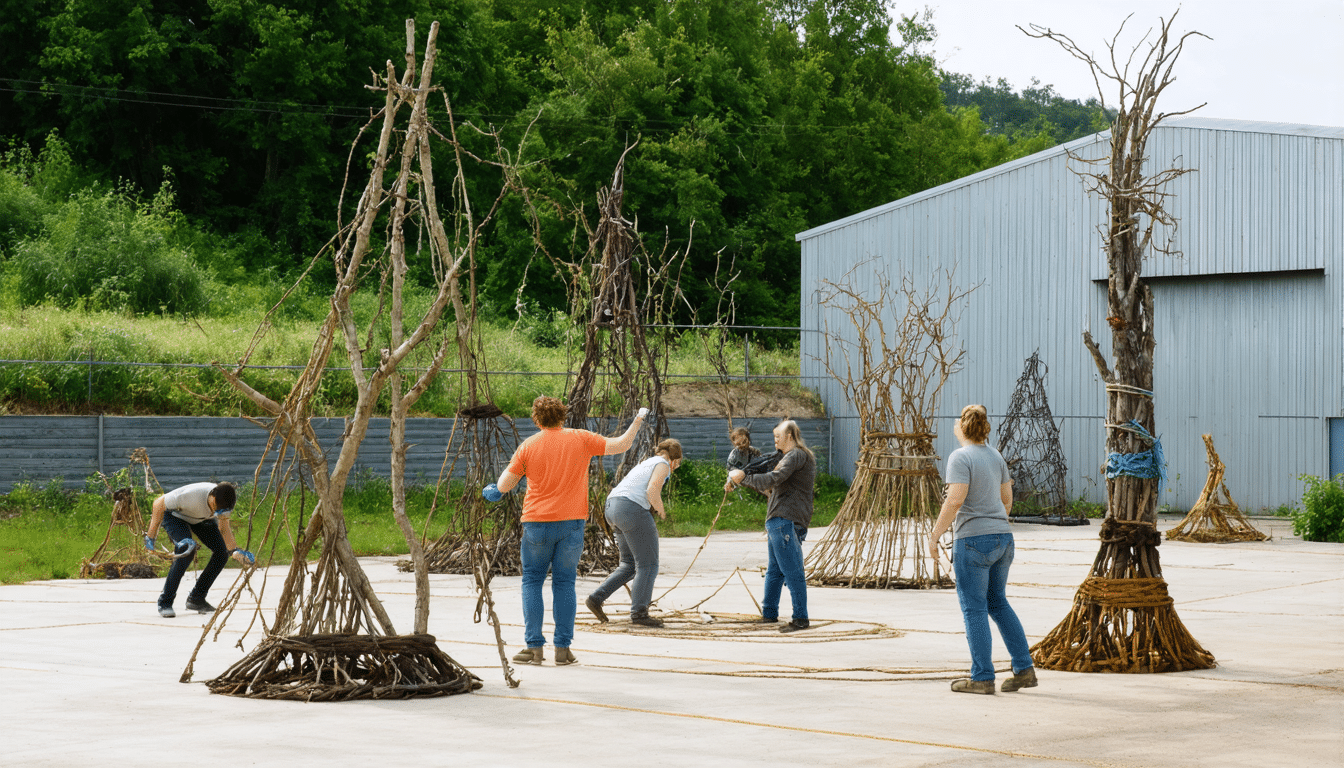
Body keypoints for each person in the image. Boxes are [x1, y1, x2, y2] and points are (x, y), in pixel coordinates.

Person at [486, 396, 646, 666]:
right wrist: (638, 419)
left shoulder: (529, 446)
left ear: (536, 419)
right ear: (563, 416)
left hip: (536, 523)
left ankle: (534, 648)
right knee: (564, 583)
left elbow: (504, 485)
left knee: (532, 582)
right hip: (572, 524)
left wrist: (493, 491)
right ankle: (563, 649)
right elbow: (621, 444)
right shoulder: (581, 439)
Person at [928, 404, 1037, 695]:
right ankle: (1024, 669)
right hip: (1003, 538)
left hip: (974, 541)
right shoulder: (995, 456)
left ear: (962, 428)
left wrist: (935, 535)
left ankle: (982, 678)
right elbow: (1007, 499)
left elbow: (955, 500)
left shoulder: (960, 457)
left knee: (974, 608)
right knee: (998, 603)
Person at [724, 420, 816, 633]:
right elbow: (765, 471)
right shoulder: (788, 456)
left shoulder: (796, 456)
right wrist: (741, 477)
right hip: (778, 519)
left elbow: (774, 478)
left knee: (792, 570)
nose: (775, 440)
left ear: (790, 437)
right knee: (775, 570)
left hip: (786, 519)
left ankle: (800, 618)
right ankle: (769, 614)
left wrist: (743, 477)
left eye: (778, 436)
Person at [586, 438, 683, 628]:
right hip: (630, 509)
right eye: (677, 465)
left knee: (629, 564)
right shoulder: (663, 464)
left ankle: (596, 598)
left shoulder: (645, 462)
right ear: (674, 459)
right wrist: (661, 509)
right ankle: (639, 613)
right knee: (648, 564)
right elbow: (652, 489)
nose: (675, 468)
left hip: (612, 507)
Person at [145, 482, 254, 618]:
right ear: (212, 496)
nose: (215, 512)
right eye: (214, 507)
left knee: (222, 554)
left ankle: (196, 598)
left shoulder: (224, 505)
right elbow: (158, 504)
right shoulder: (190, 495)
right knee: (186, 551)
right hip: (175, 517)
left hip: (201, 521)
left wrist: (234, 551)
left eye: (218, 511)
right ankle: (165, 602)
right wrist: (151, 537)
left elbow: (224, 528)